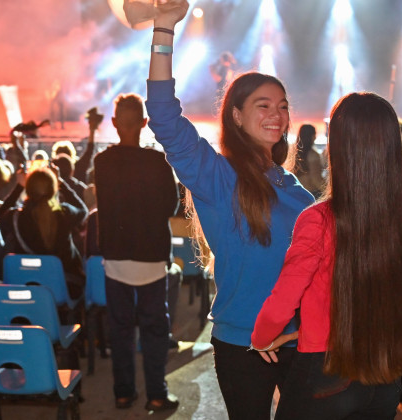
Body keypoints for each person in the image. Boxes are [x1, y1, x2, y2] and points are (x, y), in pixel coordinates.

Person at [251, 54, 402, 419]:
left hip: (323, 375)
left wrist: (261, 337)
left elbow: (283, 299)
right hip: (382, 375)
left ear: (337, 147)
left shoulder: (316, 220)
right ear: (391, 145)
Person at [147, 2, 315, 418]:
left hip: (301, 340)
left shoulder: (294, 188)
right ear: (236, 116)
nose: (277, 115)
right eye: (264, 105)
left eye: (282, 105)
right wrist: (164, 31)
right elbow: (164, 117)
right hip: (243, 342)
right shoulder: (217, 177)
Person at [93, 93, 180, 411]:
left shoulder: (101, 162)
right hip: (152, 258)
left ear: (114, 124)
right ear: (145, 123)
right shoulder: (158, 162)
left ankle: (123, 392)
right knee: (156, 329)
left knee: (120, 329)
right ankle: (156, 393)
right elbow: (171, 205)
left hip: (116, 258)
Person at [0, 167, 88, 299]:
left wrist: (19, 187)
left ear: (28, 189)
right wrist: (61, 182)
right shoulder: (64, 213)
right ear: (53, 190)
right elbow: (83, 210)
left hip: (27, 285)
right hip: (65, 287)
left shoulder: (16, 217)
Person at [293, 124, 325, 198]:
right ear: (311, 136)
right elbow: (316, 179)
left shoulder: (295, 154)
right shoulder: (313, 155)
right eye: (314, 135)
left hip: (299, 193)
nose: (315, 138)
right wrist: (328, 192)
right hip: (312, 192)